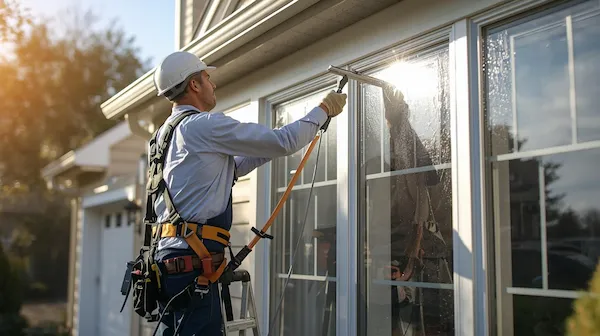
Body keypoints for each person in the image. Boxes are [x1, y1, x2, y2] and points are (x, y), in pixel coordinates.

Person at [148, 50, 347, 335]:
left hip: (170, 269)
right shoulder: (204, 125)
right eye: (207, 78)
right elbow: (286, 141)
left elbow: (226, 172)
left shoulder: (163, 136)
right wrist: (323, 109)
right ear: (193, 85)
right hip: (194, 270)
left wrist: (267, 146)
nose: (212, 84)